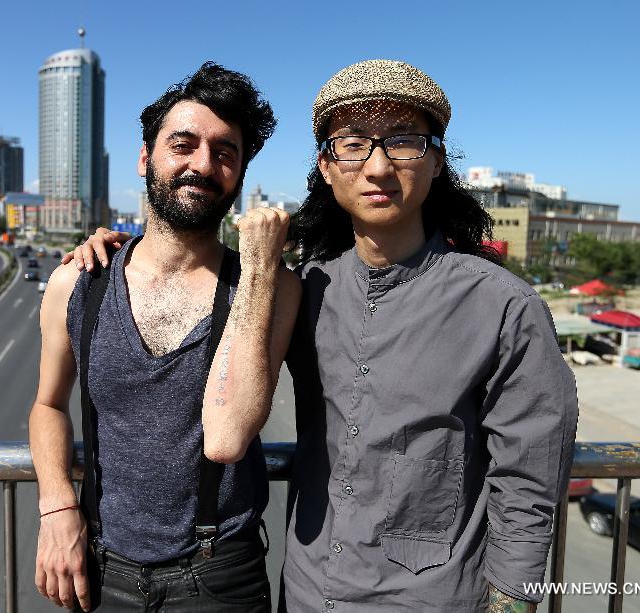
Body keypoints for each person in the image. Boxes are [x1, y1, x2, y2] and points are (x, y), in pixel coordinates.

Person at [66, 60, 578, 612]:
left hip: (431, 599)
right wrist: (129, 247)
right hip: (307, 592)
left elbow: (529, 481)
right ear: (326, 168)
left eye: (404, 142)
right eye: (353, 144)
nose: (378, 167)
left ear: (435, 162)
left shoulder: (502, 306)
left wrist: (513, 603)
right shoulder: (307, 291)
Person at [30, 61, 301, 612]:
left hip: (220, 575)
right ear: (145, 158)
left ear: (240, 175)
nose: (203, 164)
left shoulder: (271, 289)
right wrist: (57, 507)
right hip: (101, 568)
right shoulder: (77, 282)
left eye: (226, 153)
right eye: (183, 144)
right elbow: (47, 404)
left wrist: (257, 272)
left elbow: (235, 429)